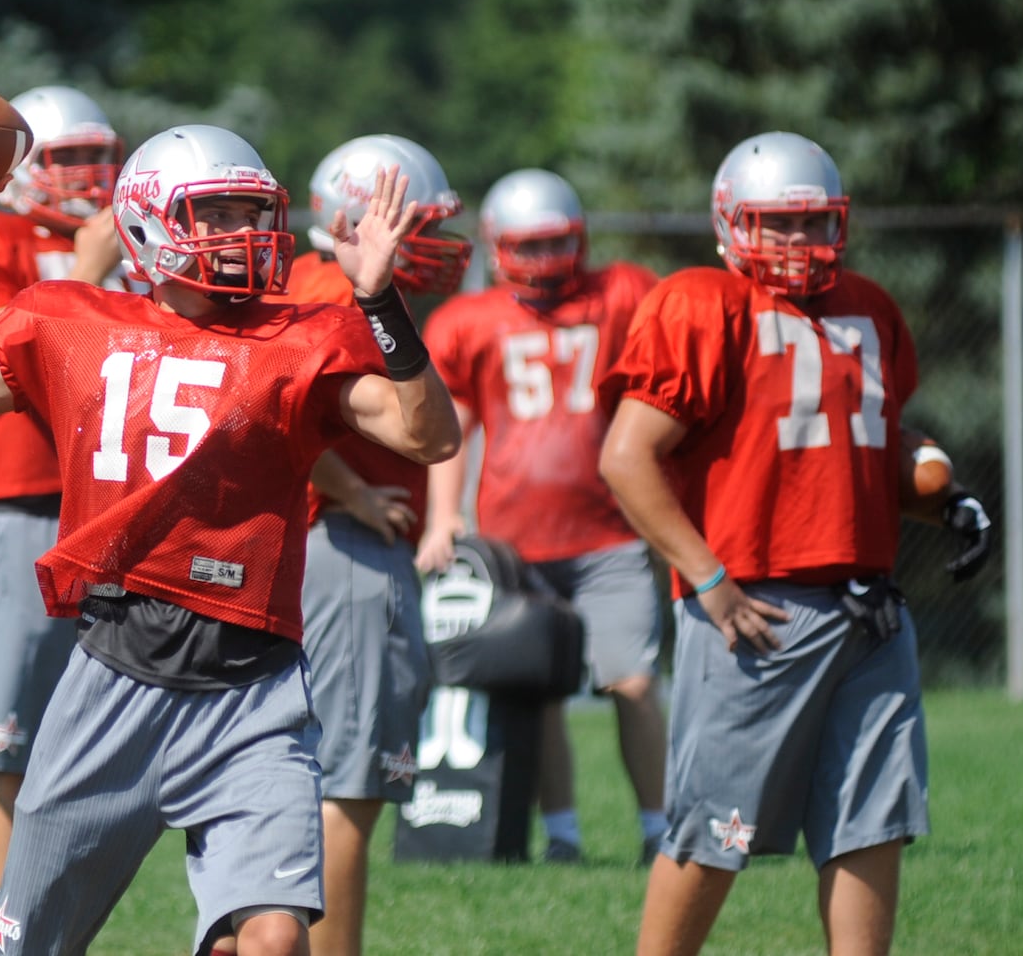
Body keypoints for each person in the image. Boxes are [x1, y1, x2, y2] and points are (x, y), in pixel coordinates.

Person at [0, 123, 461, 956]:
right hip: (117, 674)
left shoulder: (302, 335)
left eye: (249, 212)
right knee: (24, 945)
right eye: (214, 213)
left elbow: (428, 437)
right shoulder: (72, 320)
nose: (240, 234)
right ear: (148, 222)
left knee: (272, 941)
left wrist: (381, 303)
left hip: (253, 691)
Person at [597, 131, 992, 955]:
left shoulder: (870, 307)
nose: (799, 243)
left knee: (871, 823)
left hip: (870, 610)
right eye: (777, 224)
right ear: (731, 222)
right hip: (756, 608)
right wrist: (707, 577)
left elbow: (861, 442)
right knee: (716, 833)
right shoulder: (702, 302)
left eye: (814, 224)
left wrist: (947, 501)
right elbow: (627, 457)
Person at [414, 167, 668, 866]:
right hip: (512, 545)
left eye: (557, 244)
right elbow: (448, 429)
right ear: (496, 247)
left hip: (610, 533)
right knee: (543, 696)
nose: (544, 262)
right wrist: (441, 518)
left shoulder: (623, 293)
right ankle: (562, 837)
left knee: (634, 681)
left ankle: (659, 832)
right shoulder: (469, 320)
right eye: (528, 246)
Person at [0, 84, 127, 914]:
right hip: (22, 499)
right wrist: (87, 276)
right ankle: (2, 920)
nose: (90, 173)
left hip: (117, 506)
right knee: (6, 734)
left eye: (98, 154)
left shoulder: (141, 237)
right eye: (68, 157)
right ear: (22, 166)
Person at [286, 133, 471, 956]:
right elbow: (280, 416)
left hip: (310, 550)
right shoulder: (339, 300)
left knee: (305, 783)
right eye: (416, 224)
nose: (434, 244)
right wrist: (353, 491)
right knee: (349, 786)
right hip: (346, 553)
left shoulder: (301, 283)